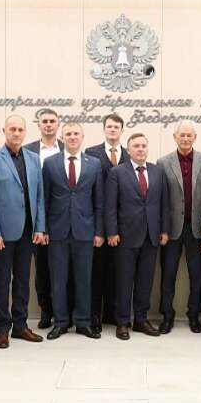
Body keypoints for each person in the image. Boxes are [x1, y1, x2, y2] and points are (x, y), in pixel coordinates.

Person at [0, 114, 47, 348]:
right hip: (3, 234)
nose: (16, 133)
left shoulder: (33, 159)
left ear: (25, 132)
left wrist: (40, 227)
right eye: (12, 129)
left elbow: (39, 196)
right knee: (2, 282)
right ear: (4, 131)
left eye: (20, 129)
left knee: (22, 281)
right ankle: (2, 329)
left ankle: (20, 326)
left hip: (28, 232)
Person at [105, 132, 170, 340]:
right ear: (129, 149)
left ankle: (141, 320)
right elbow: (110, 206)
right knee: (124, 281)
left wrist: (164, 230)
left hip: (151, 235)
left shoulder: (158, 171)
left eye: (143, 146)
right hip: (125, 237)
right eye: (136, 146)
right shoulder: (117, 172)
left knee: (145, 281)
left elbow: (164, 203)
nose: (140, 149)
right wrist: (112, 232)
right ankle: (122, 322)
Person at [42, 122, 103, 339]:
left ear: (82, 137)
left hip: (85, 231)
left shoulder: (94, 164)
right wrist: (44, 229)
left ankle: (83, 322)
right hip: (57, 231)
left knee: (84, 279)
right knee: (58, 279)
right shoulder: (50, 163)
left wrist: (99, 232)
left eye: (76, 133)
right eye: (68, 134)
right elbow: (44, 199)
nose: (73, 137)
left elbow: (99, 201)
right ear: (63, 137)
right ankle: (60, 322)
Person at [157, 121, 201, 334]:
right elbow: (160, 199)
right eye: (182, 135)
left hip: (197, 229)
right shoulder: (163, 162)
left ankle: (194, 315)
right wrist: (163, 228)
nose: (186, 138)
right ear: (175, 137)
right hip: (171, 230)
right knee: (168, 274)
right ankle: (167, 316)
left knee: (197, 276)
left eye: (189, 135)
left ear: (195, 137)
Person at [85, 113, 129, 331]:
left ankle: (112, 314)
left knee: (117, 272)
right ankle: (94, 315)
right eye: (109, 126)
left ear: (122, 130)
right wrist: (99, 229)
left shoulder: (129, 155)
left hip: (124, 224)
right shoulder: (90, 154)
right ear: (104, 129)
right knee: (97, 272)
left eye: (116, 127)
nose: (112, 130)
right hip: (99, 222)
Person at [25, 108, 65, 329]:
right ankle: (46, 311)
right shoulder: (27, 150)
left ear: (58, 124)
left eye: (52, 121)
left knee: (65, 269)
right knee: (42, 270)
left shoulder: (68, 148)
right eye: (45, 121)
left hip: (64, 220)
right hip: (37, 220)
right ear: (38, 125)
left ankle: (65, 312)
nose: (48, 124)